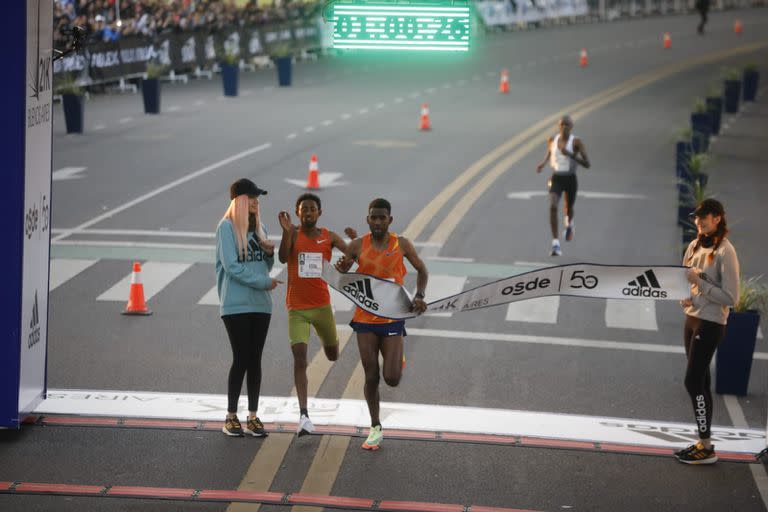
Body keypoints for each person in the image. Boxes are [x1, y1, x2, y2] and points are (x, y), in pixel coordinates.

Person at [335, 198, 428, 450]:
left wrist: (419, 295)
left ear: (390, 220)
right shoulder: (357, 245)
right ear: (368, 219)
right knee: (371, 375)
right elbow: (345, 271)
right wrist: (343, 269)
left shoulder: (402, 244)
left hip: (392, 317)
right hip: (365, 319)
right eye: (373, 217)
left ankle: (397, 359)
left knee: (392, 378)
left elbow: (422, 270)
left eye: (382, 217)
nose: (377, 222)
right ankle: (375, 426)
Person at [277, 193, 355, 437]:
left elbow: (353, 255)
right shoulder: (292, 233)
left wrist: (353, 246)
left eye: (312, 209)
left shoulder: (328, 237)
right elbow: (281, 257)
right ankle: (303, 415)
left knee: (332, 355)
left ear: (319, 213)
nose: (308, 213)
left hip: (322, 306)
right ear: (298, 212)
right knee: (300, 359)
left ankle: (328, 340)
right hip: (297, 309)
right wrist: (286, 232)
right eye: (304, 209)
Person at [216, 178, 282, 437]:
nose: (256, 201)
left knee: (255, 359)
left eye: (258, 198)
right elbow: (232, 267)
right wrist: (264, 282)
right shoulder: (226, 228)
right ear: (239, 200)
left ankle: (253, 416)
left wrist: (269, 252)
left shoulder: (260, 227)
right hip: (236, 304)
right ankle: (230, 416)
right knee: (241, 357)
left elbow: (264, 266)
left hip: (261, 305)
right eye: (252, 197)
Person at [675, 199, 739, 464]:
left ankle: (707, 445)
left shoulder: (726, 251)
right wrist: (684, 296)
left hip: (711, 323)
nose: (699, 222)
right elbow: (684, 281)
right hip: (691, 320)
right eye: (697, 217)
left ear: (718, 219)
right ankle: (704, 443)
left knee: (692, 381)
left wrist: (699, 284)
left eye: (705, 217)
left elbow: (732, 298)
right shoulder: (692, 246)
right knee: (702, 382)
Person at [536, 115, 590, 256]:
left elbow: (587, 164)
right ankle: (555, 244)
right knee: (553, 206)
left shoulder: (576, 142)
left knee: (568, 207)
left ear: (571, 127)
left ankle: (569, 223)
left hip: (571, 179)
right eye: (562, 124)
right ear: (558, 126)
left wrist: (571, 155)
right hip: (556, 178)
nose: (564, 127)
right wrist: (542, 163)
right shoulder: (552, 140)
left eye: (567, 125)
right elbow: (549, 153)